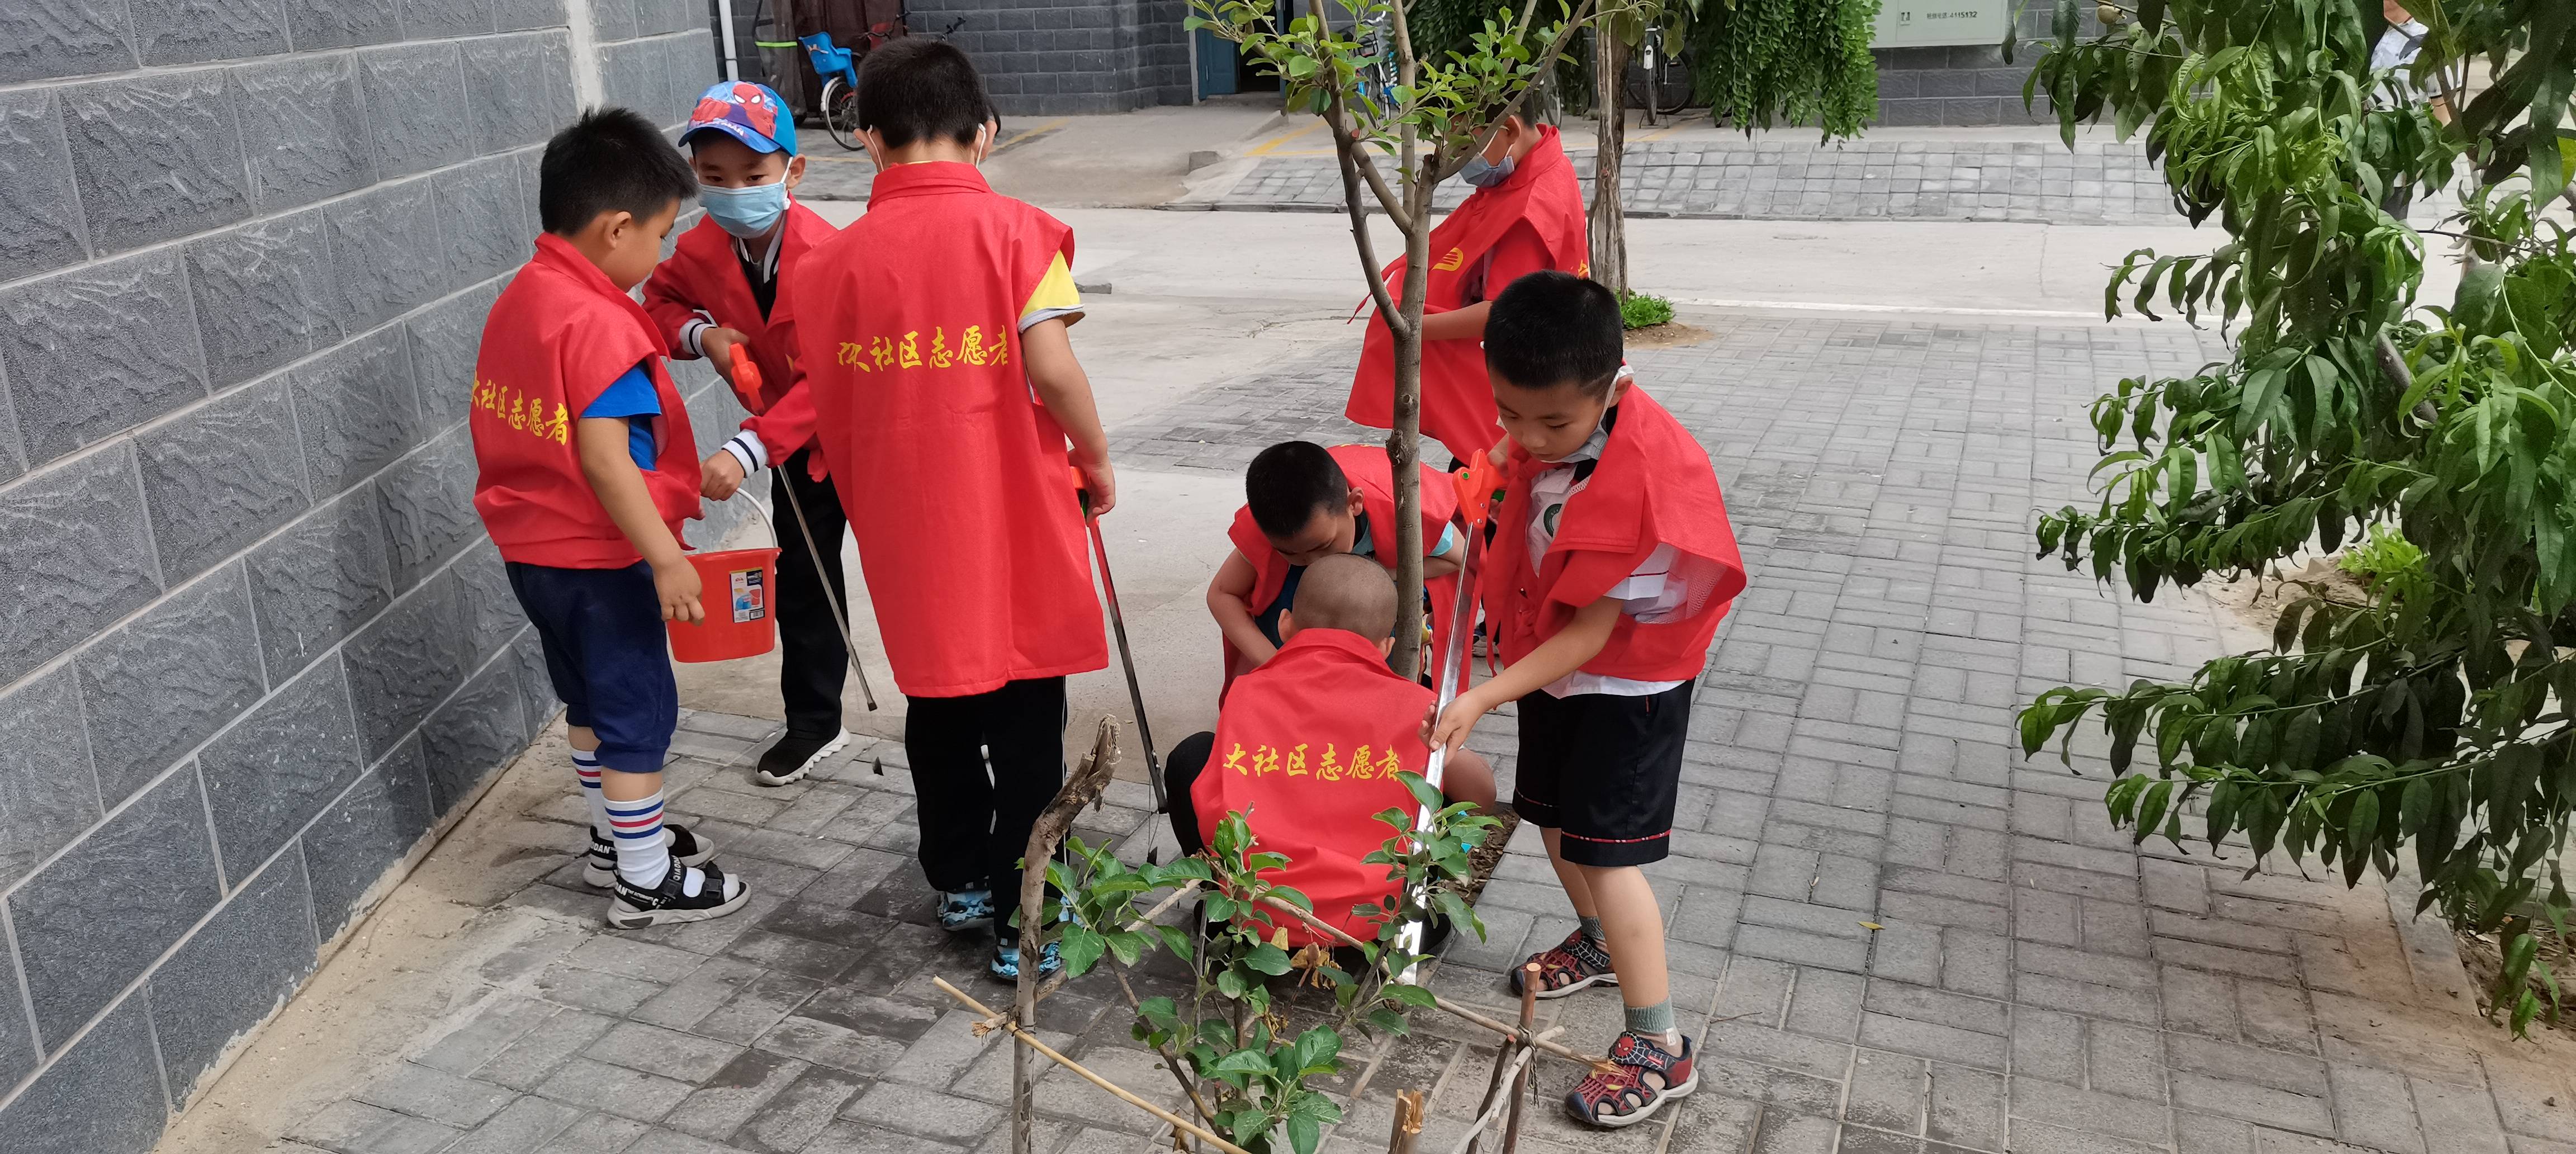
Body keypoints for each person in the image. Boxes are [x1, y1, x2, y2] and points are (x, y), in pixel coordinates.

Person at [744, 39, 1115, 981]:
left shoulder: (825, 270)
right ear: (984, 134)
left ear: (866, 140)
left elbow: (821, 397)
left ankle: (957, 876)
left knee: (940, 701)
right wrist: (1095, 454)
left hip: (906, 531)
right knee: (1029, 721)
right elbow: (1051, 366)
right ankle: (1020, 916)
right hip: (1015, 523)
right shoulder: (1021, 237)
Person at [1425, 271, 1745, 1129]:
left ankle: (1659, 1043)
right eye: (1508, 412)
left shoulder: (1642, 478)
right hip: (1552, 667)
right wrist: (1496, 464)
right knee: (1555, 818)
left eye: (1553, 422)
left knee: (1611, 852)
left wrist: (1482, 695)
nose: (1529, 436)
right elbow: (1515, 463)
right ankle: (1599, 940)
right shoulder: (1544, 434)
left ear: (1609, 385)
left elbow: (1589, 637)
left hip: (1624, 683)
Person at [471, 107, 748, 928]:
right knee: (637, 712)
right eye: (661, 236)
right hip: (601, 558)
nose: (662, 253)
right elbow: (603, 457)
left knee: (589, 703)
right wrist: (664, 556)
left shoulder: (527, 296)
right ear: (616, 228)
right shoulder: (599, 323)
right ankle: (644, 876)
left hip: (533, 552)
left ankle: (612, 842)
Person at [647, 81, 852, 788]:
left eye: (754, 176)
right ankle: (815, 723)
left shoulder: (830, 254)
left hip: (859, 436)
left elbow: (836, 376)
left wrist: (748, 448)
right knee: (806, 575)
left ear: (793, 172)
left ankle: (966, 707)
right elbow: (660, 304)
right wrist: (703, 336)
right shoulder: (704, 247)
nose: (734, 192)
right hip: (791, 446)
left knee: (914, 570)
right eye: (713, 179)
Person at [1166, 555, 1495, 947]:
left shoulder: (1248, 693)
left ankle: (1216, 902)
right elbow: (1481, 798)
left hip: (1254, 916)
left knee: (1192, 755)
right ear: (1386, 645)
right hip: (1388, 925)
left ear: (1285, 624)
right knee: (1434, 789)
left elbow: (1216, 795)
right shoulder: (1417, 706)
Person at [1345, 112, 1588, 467]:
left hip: (1533, 381)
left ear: (1508, 129)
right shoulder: (1545, 165)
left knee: (1491, 484)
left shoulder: (1529, 209)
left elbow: (1503, 311)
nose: (1462, 162)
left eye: (1468, 144)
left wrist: (1411, 330)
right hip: (1551, 369)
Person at [1206, 441, 1463, 696]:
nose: (1317, 562)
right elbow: (1222, 594)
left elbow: (1459, 556)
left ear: (1354, 504)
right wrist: (1275, 664)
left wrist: (1382, 572)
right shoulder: (1273, 525)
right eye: (1292, 553)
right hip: (1291, 592)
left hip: (1382, 566)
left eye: (1324, 546)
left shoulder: (1403, 512)